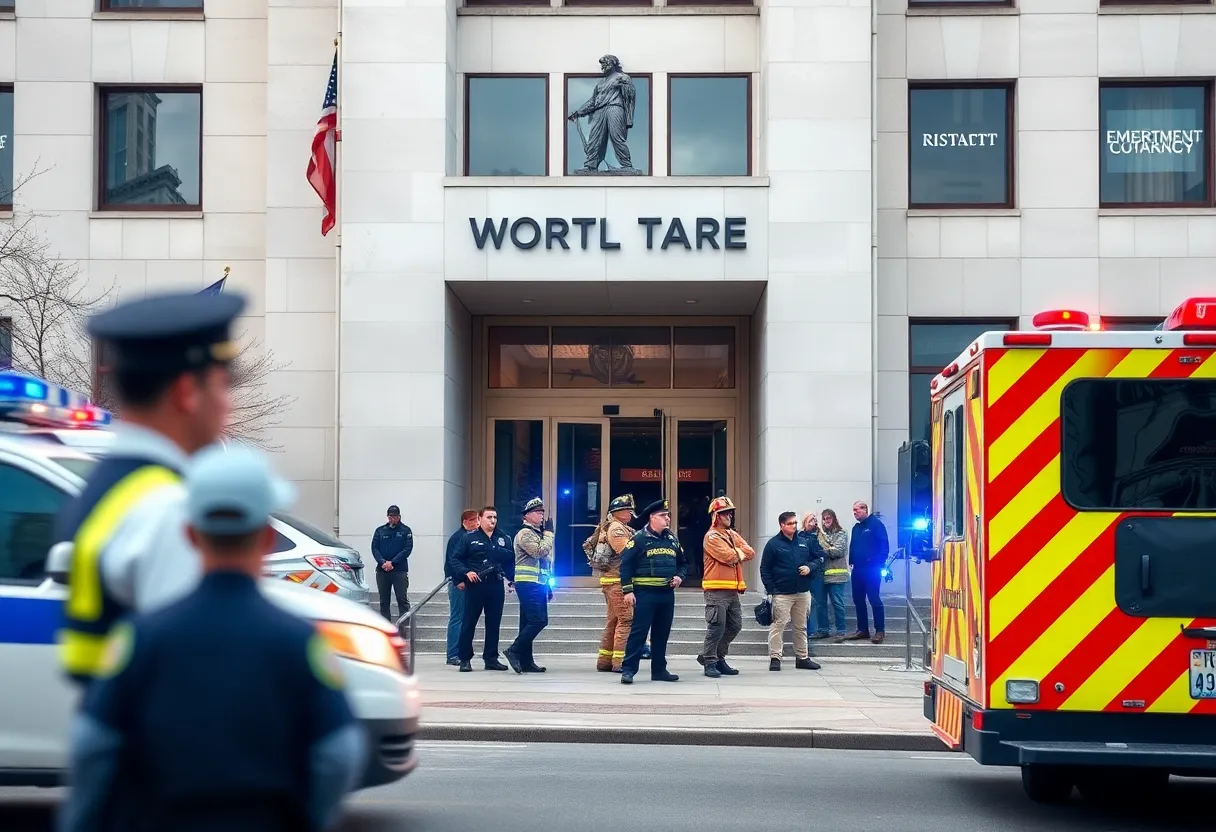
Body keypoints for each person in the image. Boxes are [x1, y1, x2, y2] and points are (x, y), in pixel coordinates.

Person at [58, 444, 365, 832]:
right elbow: (338, 754)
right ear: (267, 540)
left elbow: (92, 746)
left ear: (190, 534)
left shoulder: (141, 638)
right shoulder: (300, 642)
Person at [55, 290, 244, 685]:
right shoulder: (170, 511)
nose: (229, 406)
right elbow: (195, 683)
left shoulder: (112, 490)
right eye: (223, 386)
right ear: (186, 392)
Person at [618, 498, 685, 685]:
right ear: (652, 518)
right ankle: (629, 670)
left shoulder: (672, 539)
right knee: (639, 633)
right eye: (663, 516)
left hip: (666, 594)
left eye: (668, 516)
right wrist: (627, 591)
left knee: (661, 634)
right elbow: (625, 567)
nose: (667, 519)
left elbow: (683, 564)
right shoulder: (638, 540)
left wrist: (680, 577)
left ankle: (659, 670)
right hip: (645, 594)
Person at [448, 506, 514, 672]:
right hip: (476, 585)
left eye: (495, 517)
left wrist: (511, 581)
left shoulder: (503, 538)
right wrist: (465, 572)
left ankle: (491, 658)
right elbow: (454, 559)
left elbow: (510, 560)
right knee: (469, 622)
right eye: (489, 517)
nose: (492, 520)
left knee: (493, 623)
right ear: (480, 519)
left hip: (495, 585)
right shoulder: (468, 538)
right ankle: (465, 659)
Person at [697, 496, 755, 678]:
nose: (729, 515)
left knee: (735, 626)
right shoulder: (711, 536)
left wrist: (737, 553)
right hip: (716, 591)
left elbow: (750, 552)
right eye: (724, 513)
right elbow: (729, 557)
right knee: (716, 627)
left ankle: (717, 657)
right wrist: (738, 553)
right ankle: (710, 661)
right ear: (715, 516)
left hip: (732, 590)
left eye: (730, 512)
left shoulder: (731, 534)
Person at [760, 511, 821, 671]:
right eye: (790, 523)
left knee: (801, 626)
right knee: (778, 625)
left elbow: (818, 559)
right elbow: (764, 568)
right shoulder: (773, 544)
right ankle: (775, 658)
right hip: (782, 592)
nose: (794, 526)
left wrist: (810, 567)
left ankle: (802, 658)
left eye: (795, 523)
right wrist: (771, 589)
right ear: (781, 525)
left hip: (802, 591)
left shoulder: (803, 541)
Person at [583, 494, 636, 672]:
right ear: (619, 512)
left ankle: (605, 661)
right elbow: (628, 552)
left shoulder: (615, 526)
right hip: (617, 582)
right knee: (626, 620)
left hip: (612, 581)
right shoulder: (617, 529)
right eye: (628, 510)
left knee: (613, 621)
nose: (631, 513)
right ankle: (620, 662)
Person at [506, 497, 554, 674]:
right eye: (537, 512)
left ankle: (526, 661)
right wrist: (549, 535)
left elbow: (545, 563)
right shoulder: (525, 534)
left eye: (542, 512)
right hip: (527, 583)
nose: (541, 515)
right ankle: (513, 650)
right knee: (539, 620)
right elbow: (539, 552)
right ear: (526, 516)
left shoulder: (536, 534)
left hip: (538, 584)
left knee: (527, 621)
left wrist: (547, 586)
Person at [841, 501, 890, 645]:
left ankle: (879, 630)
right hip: (858, 569)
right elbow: (853, 545)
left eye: (857, 510)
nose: (854, 512)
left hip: (872, 568)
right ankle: (862, 629)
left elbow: (884, 544)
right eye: (853, 510)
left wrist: (880, 562)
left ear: (865, 509)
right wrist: (851, 561)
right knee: (858, 599)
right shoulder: (856, 528)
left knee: (874, 598)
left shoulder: (876, 525)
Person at [444, 509, 478, 666]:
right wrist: (458, 580)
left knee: (464, 618)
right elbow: (452, 562)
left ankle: (460, 651)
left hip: (467, 582)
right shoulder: (458, 537)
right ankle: (452, 654)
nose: (476, 523)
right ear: (465, 522)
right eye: (473, 520)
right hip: (459, 584)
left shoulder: (470, 537)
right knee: (457, 617)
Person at [371, 505, 413, 621]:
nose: (392, 519)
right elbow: (375, 548)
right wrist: (383, 562)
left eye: (395, 516)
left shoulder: (406, 530)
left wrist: (393, 563)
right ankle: (386, 626)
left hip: (399, 570)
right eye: (390, 516)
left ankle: (403, 626)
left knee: (402, 599)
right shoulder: (380, 531)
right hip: (382, 570)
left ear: (399, 516)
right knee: (384, 600)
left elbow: (407, 549)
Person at [816, 508, 851, 638]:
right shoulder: (819, 534)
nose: (826, 521)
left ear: (834, 519)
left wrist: (823, 550)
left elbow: (838, 551)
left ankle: (841, 631)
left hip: (837, 576)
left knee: (837, 603)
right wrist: (827, 549)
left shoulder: (841, 533)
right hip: (821, 575)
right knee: (821, 604)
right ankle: (823, 630)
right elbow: (816, 550)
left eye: (828, 518)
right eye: (824, 519)